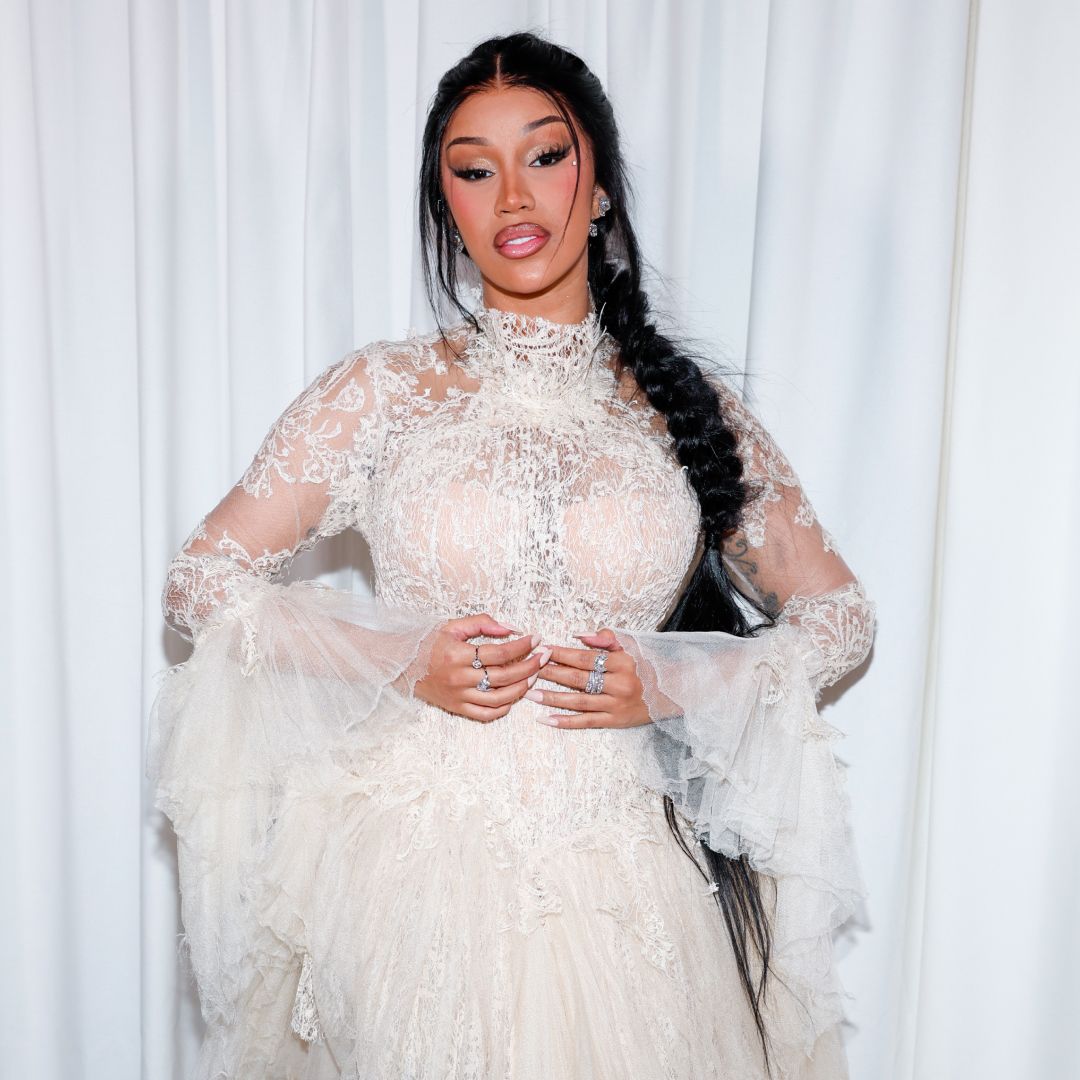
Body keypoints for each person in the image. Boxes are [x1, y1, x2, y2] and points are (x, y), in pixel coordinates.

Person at [148, 30, 876, 1080]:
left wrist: (680, 678)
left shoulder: (683, 411)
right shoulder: (382, 392)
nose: (512, 197)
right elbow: (201, 581)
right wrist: (405, 658)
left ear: (600, 188)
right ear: (448, 204)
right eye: (473, 170)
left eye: (543, 155)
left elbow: (840, 617)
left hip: (625, 888)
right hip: (409, 881)